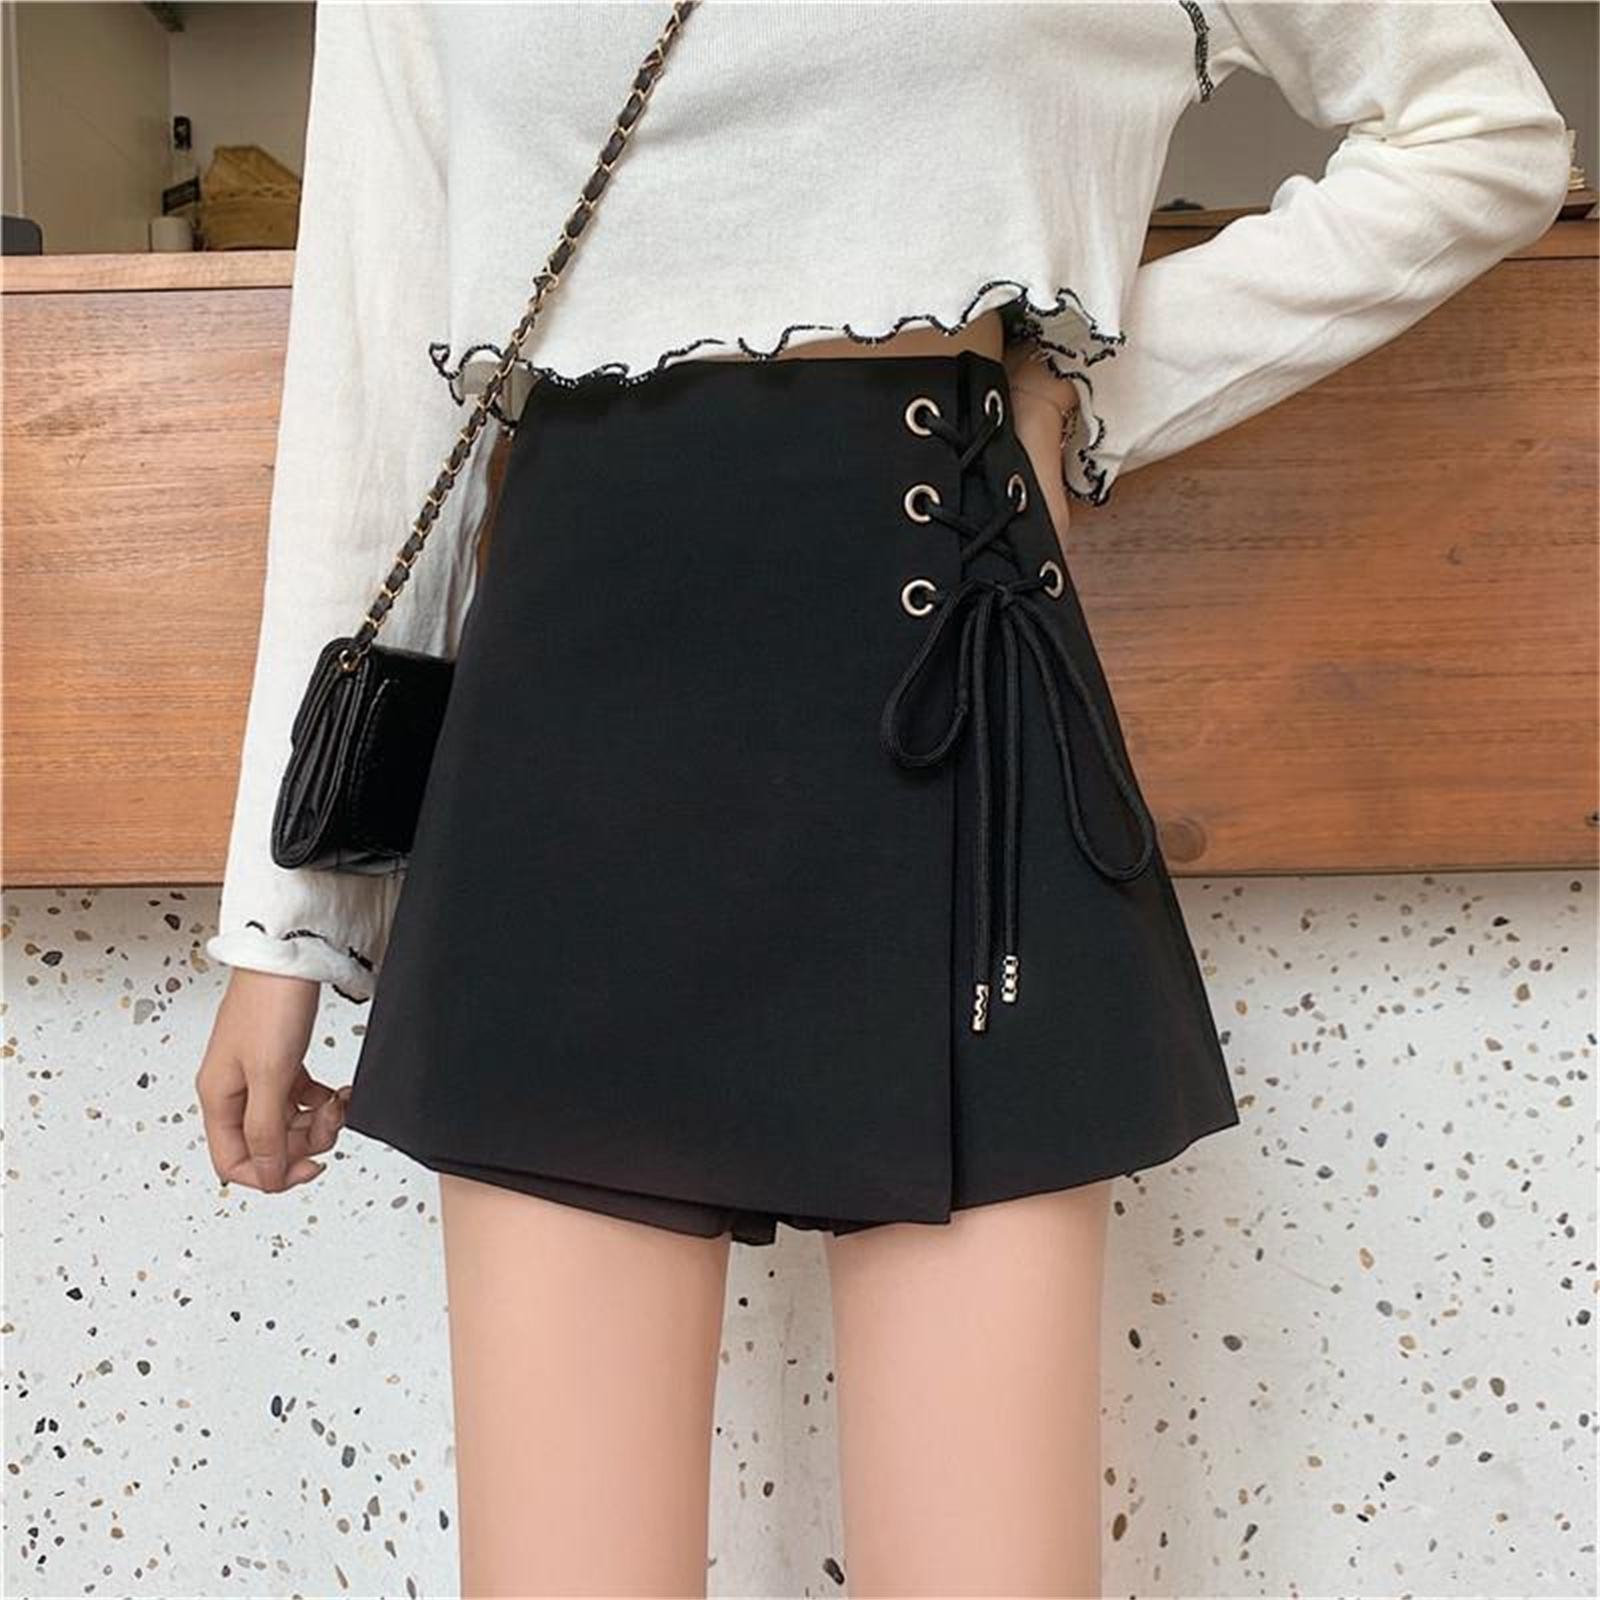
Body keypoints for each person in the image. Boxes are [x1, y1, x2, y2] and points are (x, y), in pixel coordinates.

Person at [193, 3, 1571, 1594]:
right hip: (570, 748)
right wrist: (286, 926)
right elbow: (378, 379)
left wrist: (1087, 392)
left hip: (958, 720)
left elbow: (1482, 136)